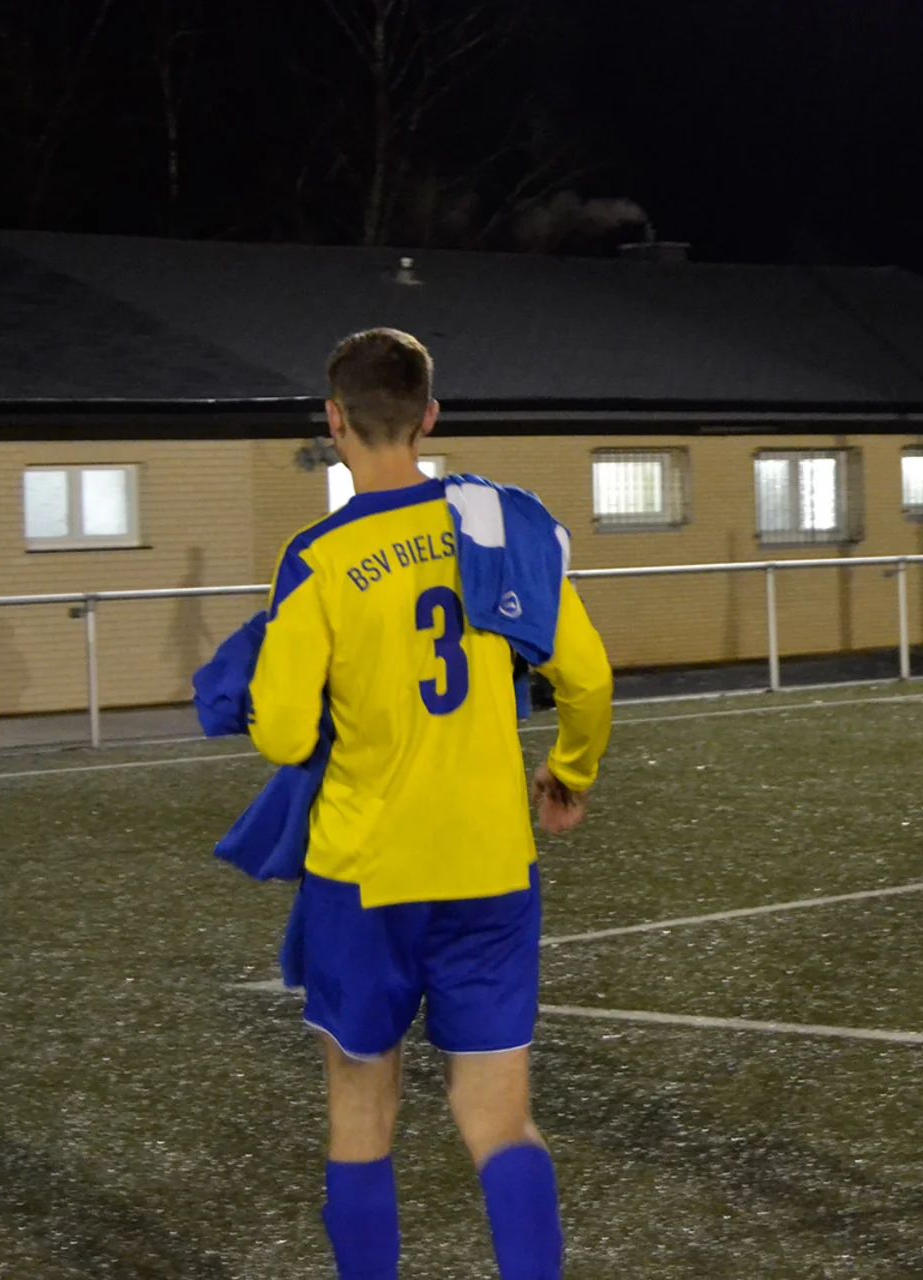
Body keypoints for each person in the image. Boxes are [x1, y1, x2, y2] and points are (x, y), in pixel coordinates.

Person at [250, 328, 613, 1280]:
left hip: (365, 876)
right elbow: (590, 680)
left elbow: (284, 736)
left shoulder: (319, 556)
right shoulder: (499, 527)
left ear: (333, 423)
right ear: (430, 418)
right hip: (490, 864)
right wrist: (570, 768)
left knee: (362, 1113)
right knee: (499, 1118)